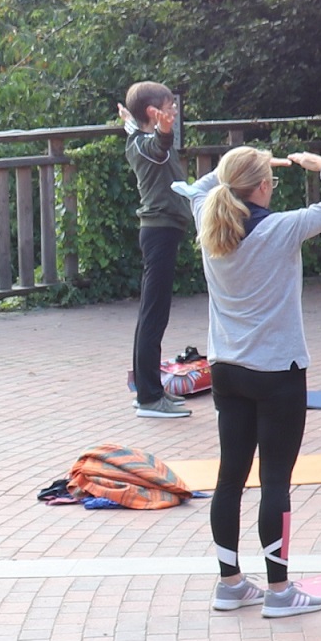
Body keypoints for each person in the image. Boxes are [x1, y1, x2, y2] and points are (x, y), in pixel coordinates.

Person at [194, 145, 321, 617]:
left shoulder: (207, 218)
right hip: (277, 372)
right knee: (274, 482)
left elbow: (199, 186)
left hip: (226, 369)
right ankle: (280, 591)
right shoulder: (282, 228)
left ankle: (230, 584)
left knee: (229, 478)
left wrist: (240, 163)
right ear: (265, 186)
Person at [120, 82, 193, 420]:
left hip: (162, 232)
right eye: (169, 106)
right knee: (153, 314)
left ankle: (149, 391)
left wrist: (130, 119)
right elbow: (159, 146)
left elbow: (135, 128)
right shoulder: (147, 145)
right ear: (153, 113)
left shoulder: (137, 136)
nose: (174, 111)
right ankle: (149, 398)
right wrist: (164, 131)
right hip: (159, 232)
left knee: (153, 313)